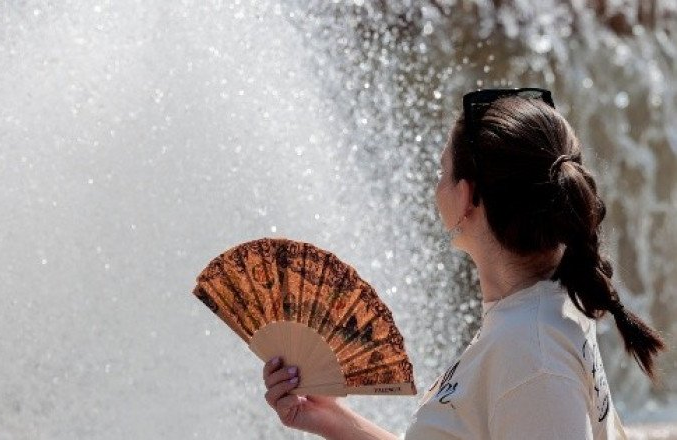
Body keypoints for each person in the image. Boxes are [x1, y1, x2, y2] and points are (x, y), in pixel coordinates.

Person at [260, 88, 667, 439]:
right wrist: (332, 418)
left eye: (442, 170)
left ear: (467, 198)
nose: (435, 185)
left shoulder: (531, 351)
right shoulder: (535, 317)